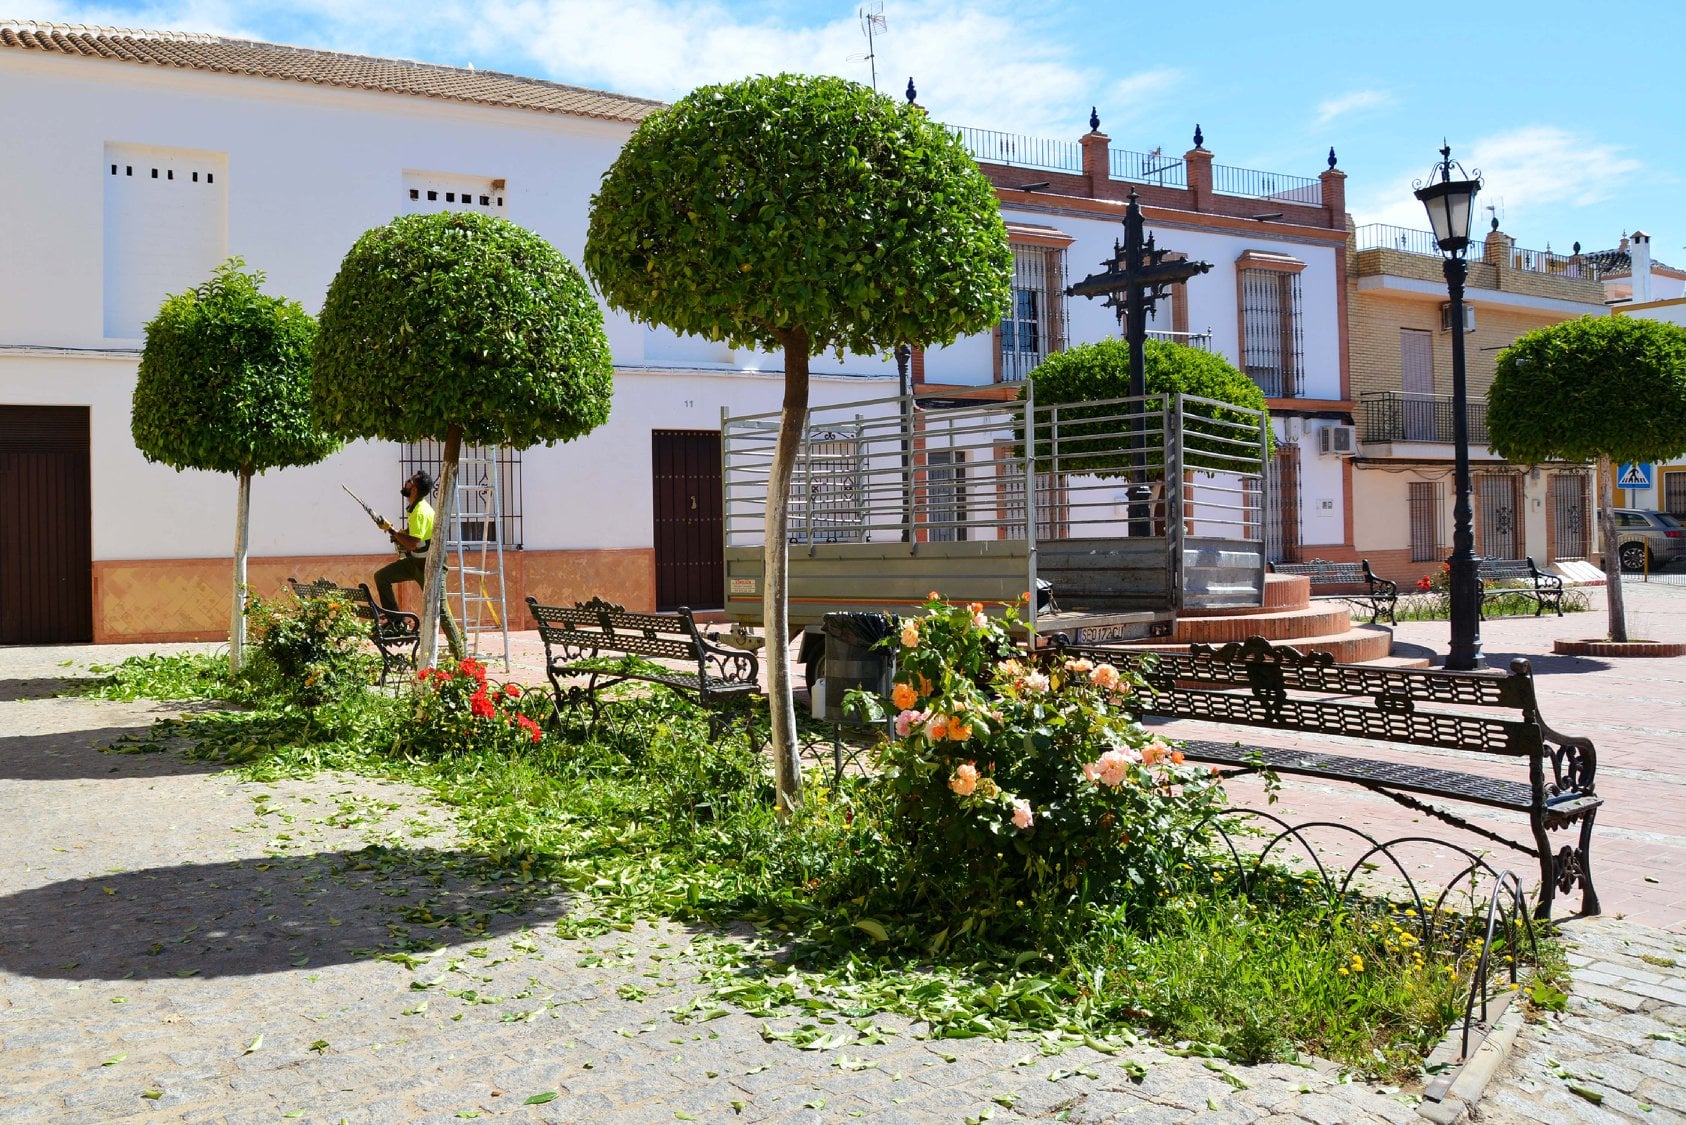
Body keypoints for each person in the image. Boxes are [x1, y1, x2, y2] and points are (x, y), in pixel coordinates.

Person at [374, 470, 465, 661]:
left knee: (440, 609)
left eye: (409, 481)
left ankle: (460, 655)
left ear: (414, 489)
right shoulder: (414, 508)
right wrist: (396, 533)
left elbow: (414, 543)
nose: (406, 483)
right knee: (382, 577)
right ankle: (395, 622)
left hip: (432, 566)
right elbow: (415, 538)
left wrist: (392, 531)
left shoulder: (421, 511)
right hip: (415, 562)